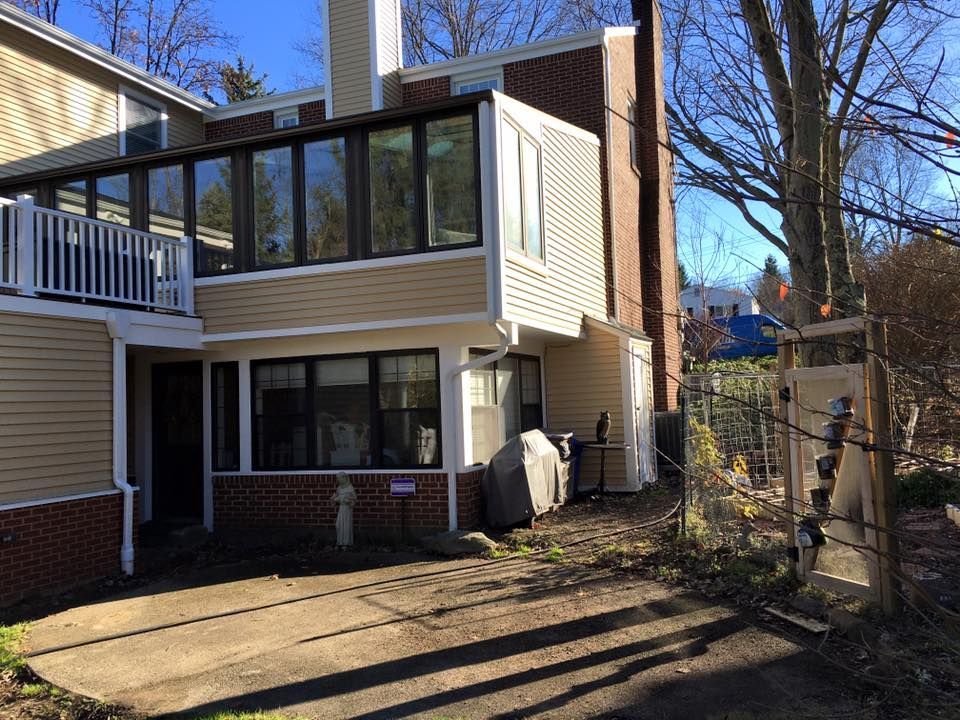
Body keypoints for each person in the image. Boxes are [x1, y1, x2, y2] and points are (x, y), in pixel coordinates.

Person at [331, 471, 357, 547]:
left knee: (346, 525)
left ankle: (346, 543)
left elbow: (354, 499)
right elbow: (335, 499)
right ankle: (339, 541)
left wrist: (349, 501)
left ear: (344, 478)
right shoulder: (339, 488)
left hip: (347, 509)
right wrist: (333, 499)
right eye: (337, 479)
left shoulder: (350, 487)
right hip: (341, 509)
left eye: (339, 478)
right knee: (338, 524)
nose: (338, 480)